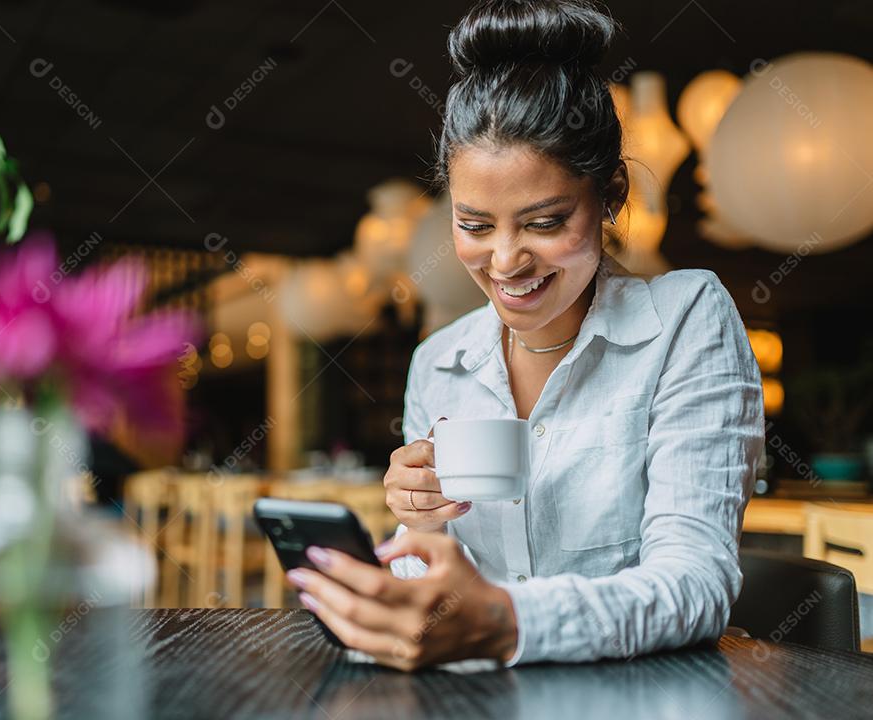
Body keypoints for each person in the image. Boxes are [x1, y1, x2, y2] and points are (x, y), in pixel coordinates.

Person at [284, 0, 764, 670]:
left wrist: (506, 622)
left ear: (611, 195)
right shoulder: (439, 362)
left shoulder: (685, 319)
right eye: (475, 226)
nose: (505, 260)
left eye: (543, 221)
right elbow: (433, 586)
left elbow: (696, 586)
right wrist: (413, 532)